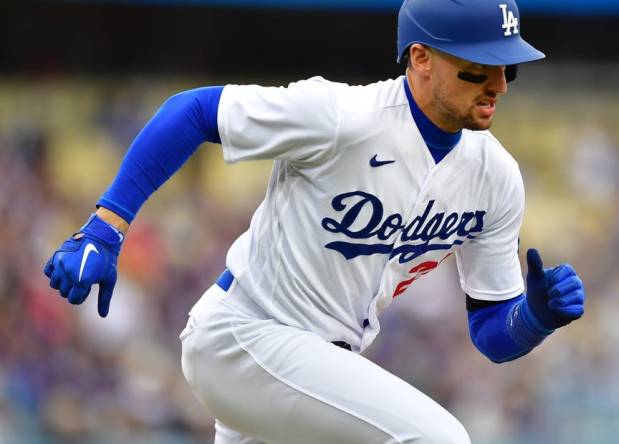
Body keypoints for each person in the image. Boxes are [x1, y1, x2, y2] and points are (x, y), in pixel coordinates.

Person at [43, 1, 586, 442]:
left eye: (507, 67)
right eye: (477, 66)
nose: (498, 84)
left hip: (308, 371)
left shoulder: (495, 177)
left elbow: (492, 335)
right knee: (438, 439)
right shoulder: (342, 117)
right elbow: (194, 111)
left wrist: (533, 318)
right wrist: (105, 226)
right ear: (420, 58)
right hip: (246, 334)